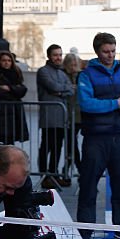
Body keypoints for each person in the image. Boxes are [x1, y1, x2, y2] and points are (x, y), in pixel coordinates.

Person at [76, 32, 120, 239]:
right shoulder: (86, 75)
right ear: (97, 51)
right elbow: (86, 104)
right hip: (96, 139)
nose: (110, 55)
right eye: (106, 51)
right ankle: (85, 232)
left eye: (113, 51)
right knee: (88, 186)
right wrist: (116, 104)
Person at [37, 44, 75, 188]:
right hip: (48, 117)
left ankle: (53, 173)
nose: (58, 58)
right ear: (49, 56)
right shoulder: (43, 71)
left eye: (60, 55)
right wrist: (62, 90)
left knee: (57, 147)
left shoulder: (62, 73)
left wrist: (61, 91)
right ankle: (44, 175)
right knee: (46, 147)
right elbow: (53, 86)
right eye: (55, 55)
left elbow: (70, 90)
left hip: (61, 118)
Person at [0, 50, 29, 146]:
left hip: (14, 111)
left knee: (11, 140)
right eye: (4, 60)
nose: (7, 63)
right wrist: (14, 91)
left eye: (9, 60)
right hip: (0, 112)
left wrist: (9, 88)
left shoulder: (16, 73)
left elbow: (23, 90)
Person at [62, 52, 84, 177]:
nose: (73, 66)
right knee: (71, 143)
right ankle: (76, 167)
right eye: (70, 64)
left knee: (74, 143)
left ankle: (70, 168)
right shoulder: (63, 75)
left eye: (75, 64)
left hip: (80, 113)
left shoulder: (81, 75)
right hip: (69, 114)